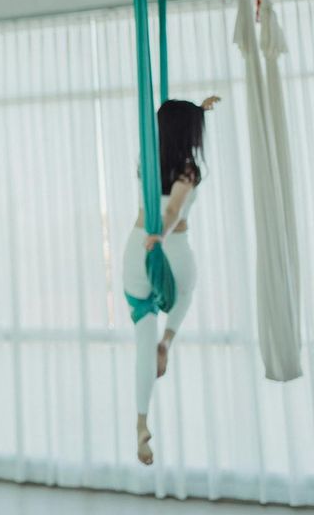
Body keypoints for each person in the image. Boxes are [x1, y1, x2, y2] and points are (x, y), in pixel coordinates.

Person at [124, 95, 219, 465]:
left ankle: (141, 422)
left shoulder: (147, 163)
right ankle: (167, 341)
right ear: (189, 133)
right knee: (186, 290)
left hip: (137, 250)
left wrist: (199, 109)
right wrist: (161, 235)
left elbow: (165, 119)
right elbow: (176, 208)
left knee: (141, 339)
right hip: (170, 245)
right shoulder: (187, 169)